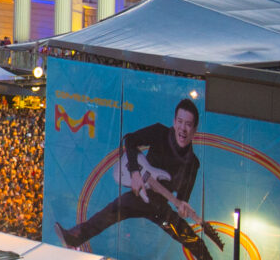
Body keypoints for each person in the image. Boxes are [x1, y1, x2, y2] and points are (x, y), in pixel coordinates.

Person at [55, 99, 212, 259]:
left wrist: (182, 207)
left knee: (188, 236)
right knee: (112, 210)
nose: (183, 128)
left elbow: (182, 199)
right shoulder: (160, 133)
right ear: (174, 122)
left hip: (160, 207)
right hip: (141, 193)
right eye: (180, 122)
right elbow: (130, 140)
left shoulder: (193, 163)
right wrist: (135, 173)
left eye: (188, 124)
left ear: (194, 129)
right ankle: (75, 237)